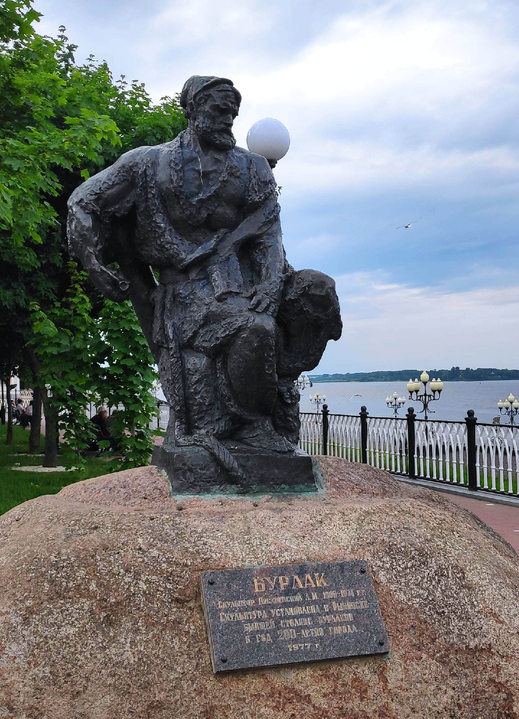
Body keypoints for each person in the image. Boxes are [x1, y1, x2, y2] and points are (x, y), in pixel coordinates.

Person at [67, 75, 341, 485]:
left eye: (232, 113)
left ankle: (263, 417)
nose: (227, 121)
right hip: (186, 294)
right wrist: (95, 266)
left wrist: (268, 286)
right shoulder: (149, 163)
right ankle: (251, 429)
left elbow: (269, 238)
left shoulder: (252, 168)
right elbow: (83, 203)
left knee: (317, 292)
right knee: (256, 329)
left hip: (245, 284)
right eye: (218, 111)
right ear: (192, 109)